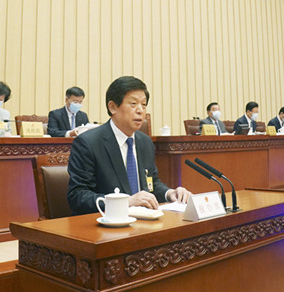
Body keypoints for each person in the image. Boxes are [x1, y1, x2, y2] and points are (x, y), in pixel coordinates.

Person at [67, 76, 191, 215]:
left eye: (144, 105)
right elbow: (78, 196)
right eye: (133, 104)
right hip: (107, 222)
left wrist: (170, 193)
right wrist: (125, 202)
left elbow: (151, 184)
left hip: (143, 221)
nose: (140, 110)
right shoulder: (88, 143)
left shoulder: (145, 142)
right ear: (113, 107)